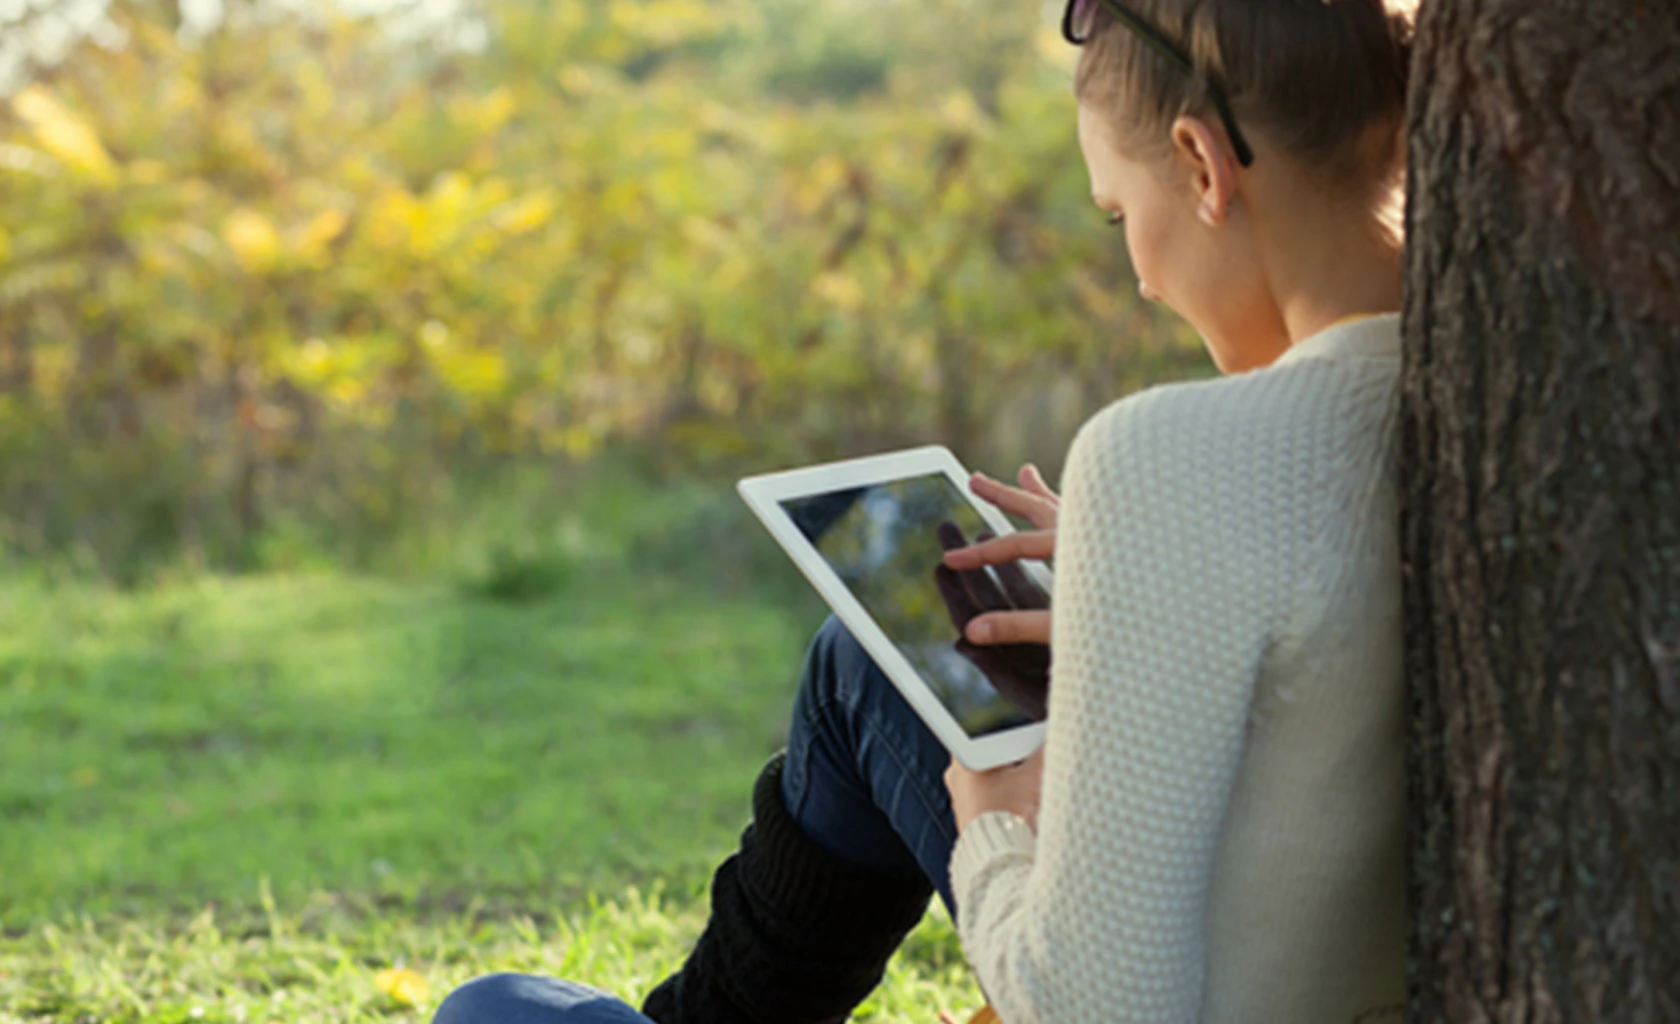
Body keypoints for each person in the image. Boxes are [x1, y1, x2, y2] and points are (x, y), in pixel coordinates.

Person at [434, 0, 1415, 1019]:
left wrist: (992, 820)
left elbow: (1098, 1007)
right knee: (871, 655)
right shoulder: (1484, 401)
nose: (1143, 282)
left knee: (490, 1008)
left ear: (1201, 165)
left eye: (1120, 215)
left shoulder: (1166, 452)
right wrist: (1125, 597)